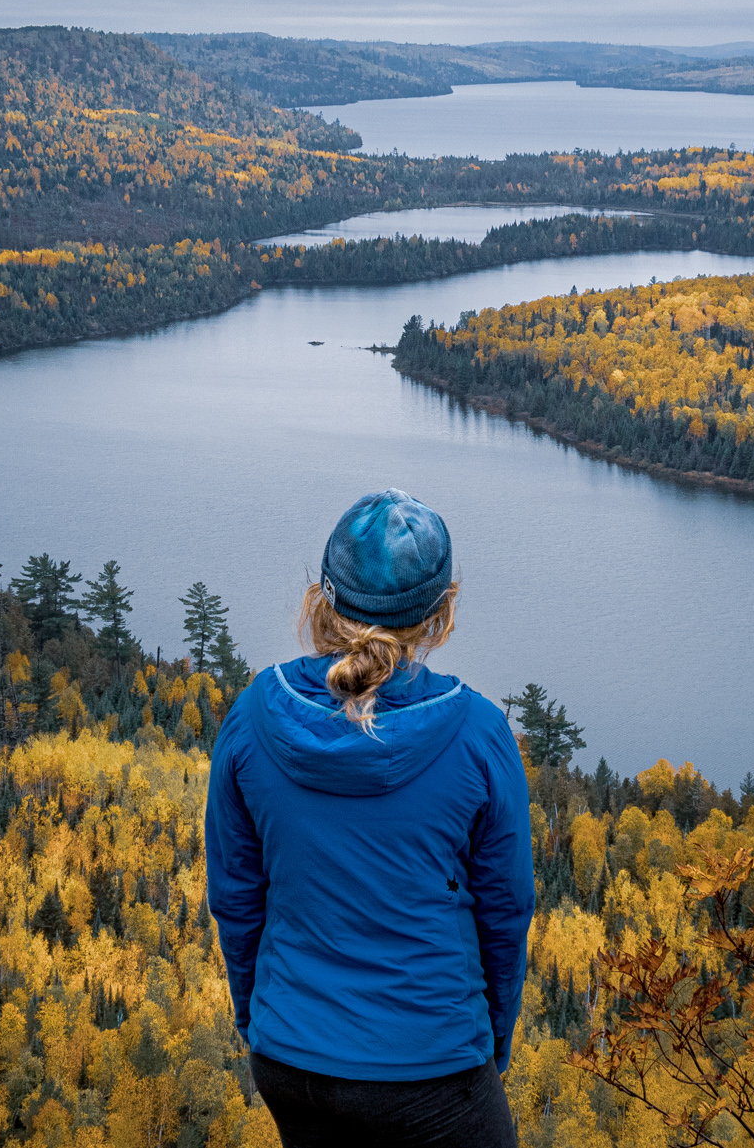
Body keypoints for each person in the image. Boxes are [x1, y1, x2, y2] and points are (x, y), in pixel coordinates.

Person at [205, 489, 534, 1147]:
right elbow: (505, 911)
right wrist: (489, 1045)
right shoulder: (477, 735)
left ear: (322, 600)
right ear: (441, 611)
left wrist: (262, 1018)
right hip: (434, 1066)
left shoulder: (252, 717)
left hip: (292, 1059)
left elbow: (237, 899)